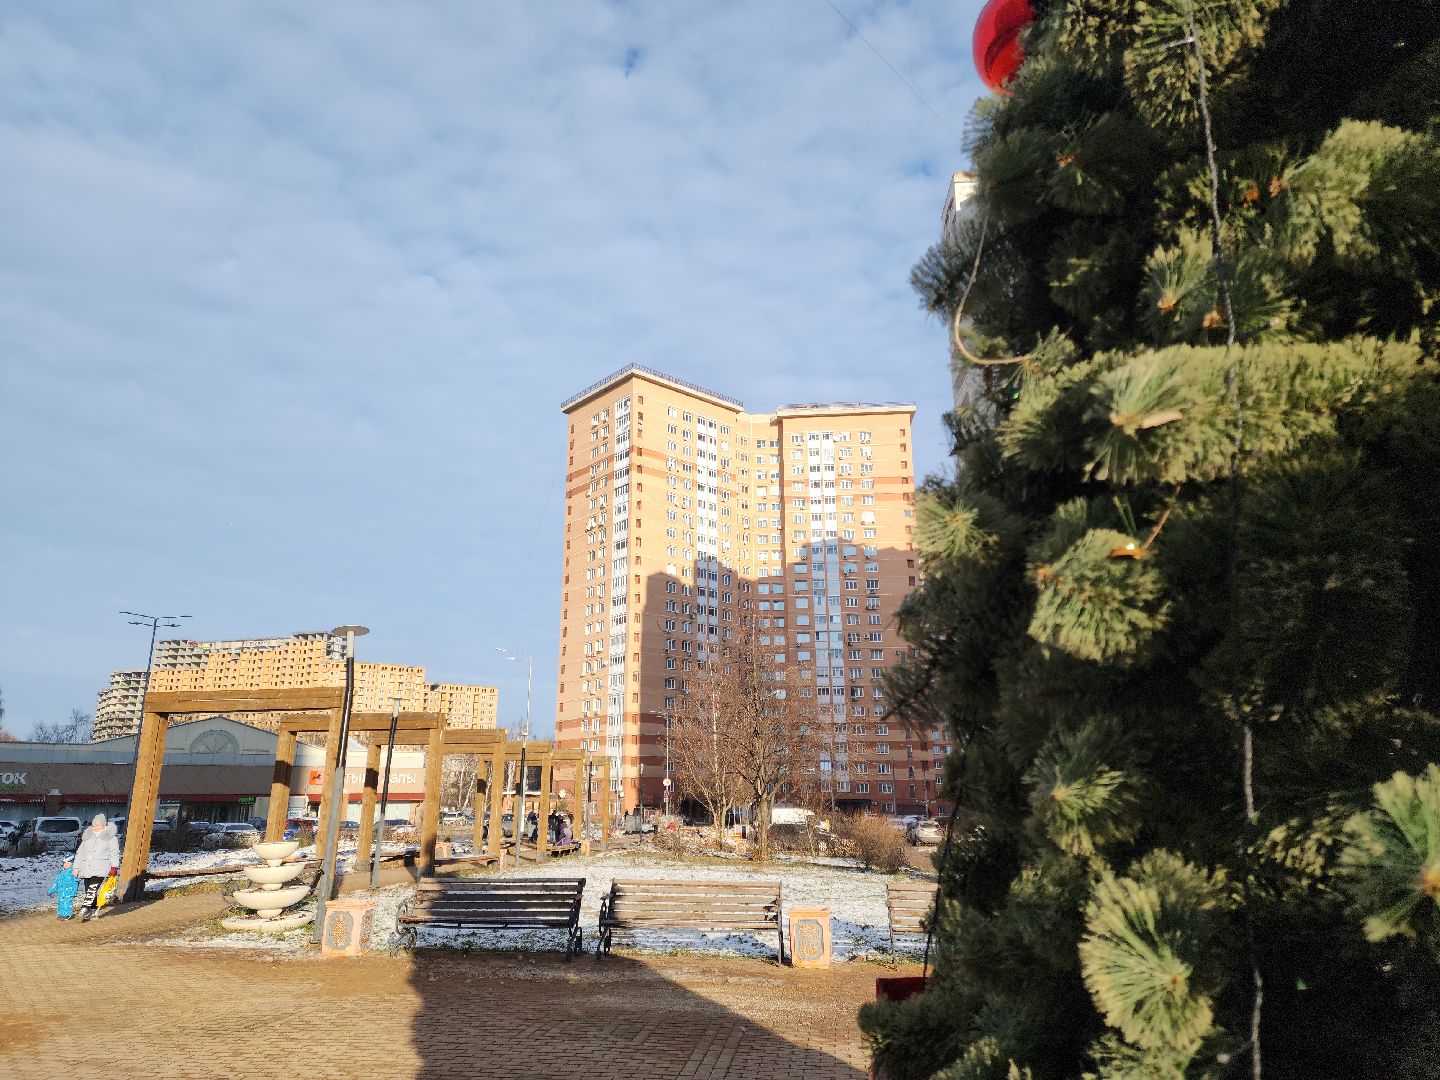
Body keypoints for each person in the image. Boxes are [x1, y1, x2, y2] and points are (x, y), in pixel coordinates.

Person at [73, 813, 120, 922]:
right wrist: (76, 867)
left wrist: (114, 867)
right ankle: (93, 911)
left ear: (103, 825)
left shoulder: (110, 837)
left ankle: (83, 910)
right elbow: (80, 853)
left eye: (98, 825)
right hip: (86, 868)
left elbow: (114, 853)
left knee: (92, 889)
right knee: (89, 890)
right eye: (93, 825)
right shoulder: (87, 836)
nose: (95, 827)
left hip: (101, 868)